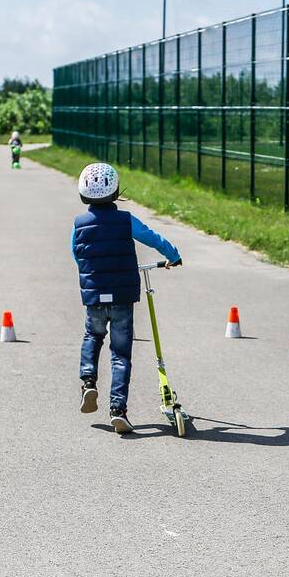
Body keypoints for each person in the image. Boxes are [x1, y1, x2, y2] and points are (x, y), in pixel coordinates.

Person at [72, 162, 181, 434]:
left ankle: (88, 382)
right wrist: (173, 255)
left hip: (95, 294)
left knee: (92, 336)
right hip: (122, 295)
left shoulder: (80, 224)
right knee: (120, 353)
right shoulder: (126, 220)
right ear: (116, 190)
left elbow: (77, 254)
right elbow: (152, 238)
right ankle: (118, 410)